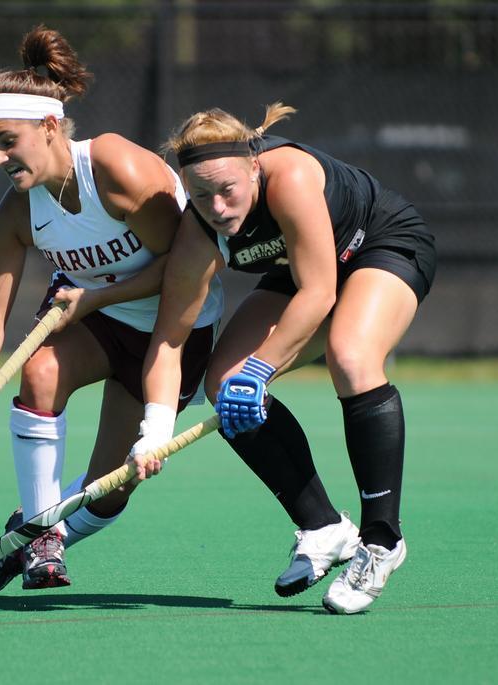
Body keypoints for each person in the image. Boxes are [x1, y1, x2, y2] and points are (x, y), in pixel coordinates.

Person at [130, 103, 436, 614]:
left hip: (380, 244)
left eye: (228, 189)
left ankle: (382, 540)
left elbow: (319, 293)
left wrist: (260, 368)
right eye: (201, 195)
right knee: (221, 382)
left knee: (351, 356)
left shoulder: (290, 176)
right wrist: (155, 428)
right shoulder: (198, 230)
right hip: (303, 268)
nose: (218, 208)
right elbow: (168, 339)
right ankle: (323, 526)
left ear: (254, 166)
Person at [0, 26, 224, 598]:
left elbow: (187, 269)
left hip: (174, 329)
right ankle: (40, 535)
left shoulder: (114, 168)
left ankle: (39, 535)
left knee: (112, 486)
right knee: (39, 370)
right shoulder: (17, 212)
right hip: (98, 321)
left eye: (7, 141)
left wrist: (97, 296)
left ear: (48, 126)